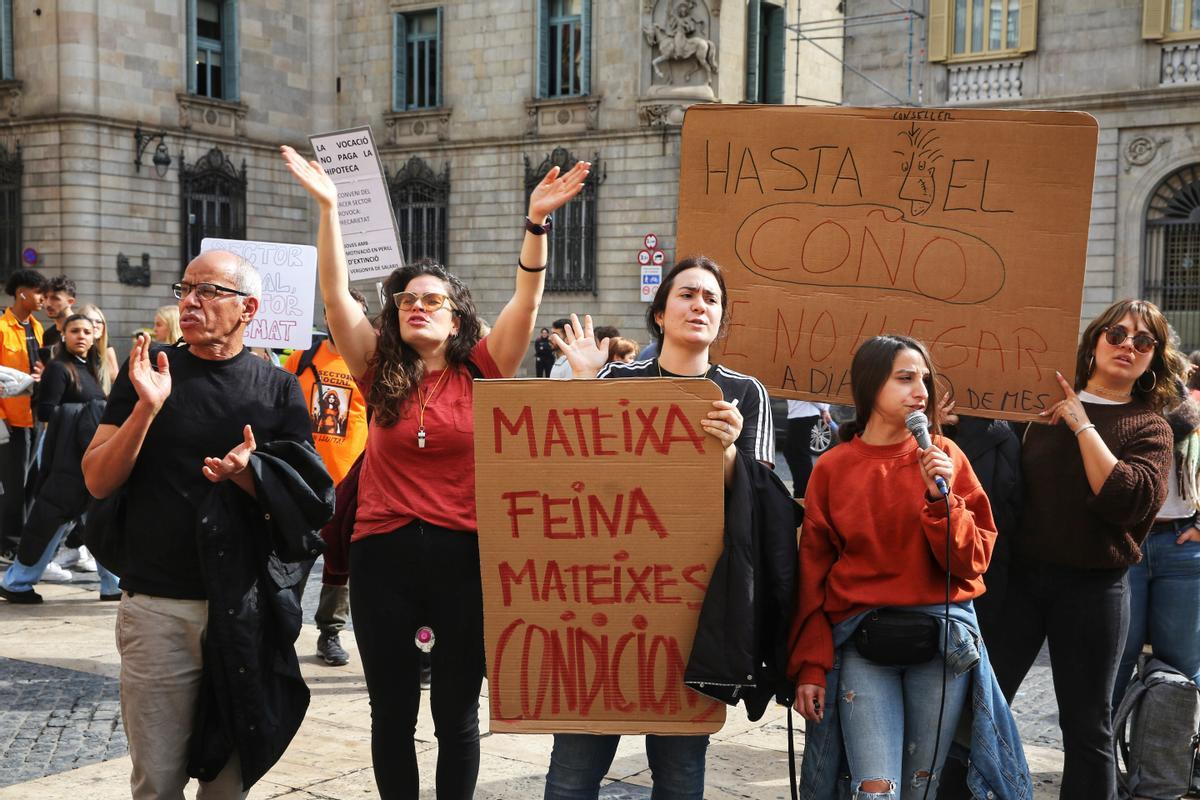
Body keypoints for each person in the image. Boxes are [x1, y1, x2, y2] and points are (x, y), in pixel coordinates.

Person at [282, 141, 590, 799]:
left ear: (456, 316)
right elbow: (336, 296)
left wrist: (535, 224)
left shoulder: (482, 368)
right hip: (381, 559)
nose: (417, 305)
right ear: (394, 315)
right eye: (407, 300)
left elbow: (528, 302)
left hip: (465, 558)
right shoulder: (375, 371)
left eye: (433, 299)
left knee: (455, 714)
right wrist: (330, 208)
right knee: (390, 713)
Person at [81, 249, 331, 798]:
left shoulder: (278, 389)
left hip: (242, 609)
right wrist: (147, 408)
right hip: (157, 607)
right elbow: (98, 480)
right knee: (158, 780)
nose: (190, 301)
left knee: (228, 784)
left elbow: (306, 499)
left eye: (209, 291)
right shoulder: (148, 374)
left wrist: (249, 474)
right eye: (185, 289)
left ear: (249, 308)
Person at [544, 255, 773, 800]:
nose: (700, 305)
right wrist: (582, 388)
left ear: (721, 318)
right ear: (660, 315)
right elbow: (571, 481)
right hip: (604, 607)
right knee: (573, 773)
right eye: (687, 295)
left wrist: (727, 452)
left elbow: (757, 509)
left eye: (711, 299)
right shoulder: (615, 380)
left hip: (695, 609)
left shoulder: (745, 393)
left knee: (679, 773)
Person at [787, 335, 1009, 799]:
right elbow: (812, 574)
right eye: (906, 378)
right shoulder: (832, 468)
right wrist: (810, 664)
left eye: (925, 379)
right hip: (862, 645)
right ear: (871, 387)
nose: (921, 391)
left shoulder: (948, 459)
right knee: (875, 789)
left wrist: (939, 501)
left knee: (920, 788)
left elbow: (972, 562)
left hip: (943, 648)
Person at [986, 299, 1180, 799]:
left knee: (1087, 727)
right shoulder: (1033, 408)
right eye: (1117, 333)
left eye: (1143, 341)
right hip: (1021, 582)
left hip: (1095, 587)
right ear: (1094, 341)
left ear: (1152, 360)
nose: (1127, 346)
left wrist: (1082, 425)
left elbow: (1123, 498)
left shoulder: (1150, 426)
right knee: (982, 704)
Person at [0, 314, 118, 603]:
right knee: (52, 520)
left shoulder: (89, 368)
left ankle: (113, 582)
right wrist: (88, 413)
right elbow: (45, 412)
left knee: (94, 519)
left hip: (88, 454)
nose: (81, 336)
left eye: (87, 331)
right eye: (75, 330)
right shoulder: (58, 368)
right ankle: (16, 581)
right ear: (63, 335)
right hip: (65, 457)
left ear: (94, 337)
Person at [284, 288, 371, 668]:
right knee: (288, 558)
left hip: (351, 480)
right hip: (301, 476)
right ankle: (279, 629)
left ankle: (329, 632)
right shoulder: (301, 359)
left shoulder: (372, 362)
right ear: (326, 316)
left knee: (340, 563)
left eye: (356, 313)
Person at [1112, 395, 1200, 708]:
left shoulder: (1191, 414)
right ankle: (1101, 754)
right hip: (1127, 541)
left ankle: (1174, 752)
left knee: (1180, 663)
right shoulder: (1118, 409)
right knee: (1117, 657)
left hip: (1181, 545)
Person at [0, 269, 47, 561]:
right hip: (10, 419)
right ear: (22, 293)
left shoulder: (37, 327)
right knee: (13, 484)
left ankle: (20, 540)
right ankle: (8, 542)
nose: (43, 299)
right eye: (39, 292)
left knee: (30, 484)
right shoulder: (2, 327)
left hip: (35, 416)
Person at [783, 399, 831, 500]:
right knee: (793, 453)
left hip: (803, 413)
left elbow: (812, 391)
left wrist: (824, 408)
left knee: (799, 455)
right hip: (801, 413)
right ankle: (803, 493)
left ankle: (804, 494)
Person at [76, 304, 119, 394]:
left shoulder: (105, 348)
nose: (95, 325)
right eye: (90, 321)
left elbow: (114, 377)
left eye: (99, 321)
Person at [40, 274, 76, 353]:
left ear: (70, 302)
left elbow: (108, 361)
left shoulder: (86, 329)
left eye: (55, 298)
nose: (48, 304)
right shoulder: (48, 335)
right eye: (45, 298)